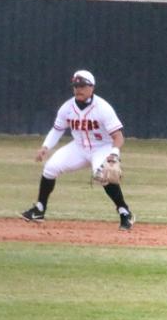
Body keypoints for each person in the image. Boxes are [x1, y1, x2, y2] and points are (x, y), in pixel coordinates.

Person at [21, 70, 135, 230]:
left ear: (92, 87)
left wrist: (114, 154)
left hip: (102, 147)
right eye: (76, 86)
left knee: (104, 174)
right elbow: (57, 129)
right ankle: (39, 210)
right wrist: (45, 147)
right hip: (79, 147)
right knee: (50, 168)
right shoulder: (67, 108)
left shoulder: (103, 108)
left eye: (82, 85)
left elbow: (118, 137)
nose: (78, 89)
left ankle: (124, 212)